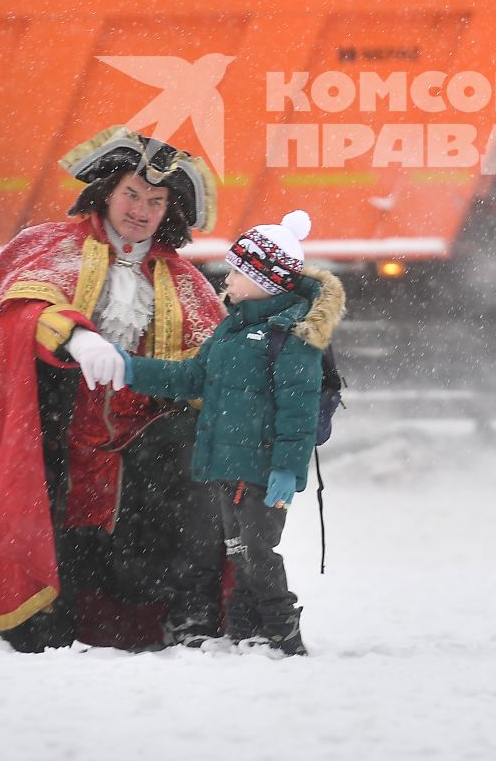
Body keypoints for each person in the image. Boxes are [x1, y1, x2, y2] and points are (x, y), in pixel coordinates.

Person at [0, 127, 227, 652]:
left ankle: (184, 619)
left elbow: (209, 368)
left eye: (155, 200)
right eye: (131, 195)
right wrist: (73, 335)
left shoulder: (185, 279)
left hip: (143, 445)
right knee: (51, 519)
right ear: (106, 192)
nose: (140, 210)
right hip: (61, 431)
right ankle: (43, 626)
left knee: (188, 479)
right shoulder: (51, 247)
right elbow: (17, 311)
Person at [113, 208, 344, 657]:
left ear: (267, 281)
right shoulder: (232, 330)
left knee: (260, 553)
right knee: (239, 554)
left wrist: (286, 472)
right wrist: (127, 368)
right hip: (225, 468)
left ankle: (281, 630)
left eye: (238, 273)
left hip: (262, 472)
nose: (228, 281)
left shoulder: (291, 339)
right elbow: (189, 379)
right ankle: (245, 630)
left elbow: (297, 415)